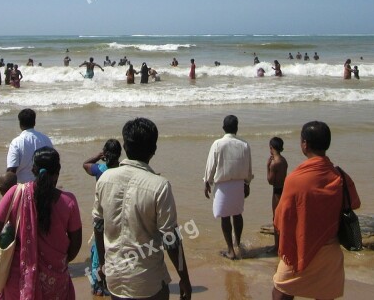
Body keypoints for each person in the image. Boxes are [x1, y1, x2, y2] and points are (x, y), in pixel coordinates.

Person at [93, 118, 192, 299]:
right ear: (154, 150)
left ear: (125, 146)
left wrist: (102, 266)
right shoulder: (159, 185)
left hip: (115, 277)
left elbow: (98, 226)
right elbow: (171, 240)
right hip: (147, 282)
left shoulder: (104, 179)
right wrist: (184, 278)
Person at [0, 147, 82, 299]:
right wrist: (58, 261)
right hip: (55, 282)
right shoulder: (69, 201)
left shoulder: (15, 193)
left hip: (19, 281)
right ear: (58, 171)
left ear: (33, 170)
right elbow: (75, 244)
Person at [272, 121, 361, 300]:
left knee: (281, 291)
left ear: (305, 144)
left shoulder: (296, 179)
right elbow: (354, 203)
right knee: (325, 295)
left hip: (298, 249)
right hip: (330, 250)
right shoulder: (340, 176)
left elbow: (281, 218)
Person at [204, 115, 253, 260]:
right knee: (237, 214)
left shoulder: (218, 144)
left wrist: (207, 181)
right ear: (236, 128)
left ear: (223, 128)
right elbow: (248, 166)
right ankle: (238, 244)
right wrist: (247, 183)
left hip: (222, 185)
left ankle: (231, 250)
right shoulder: (244, 144)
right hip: (239, 183)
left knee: (225, 217)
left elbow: (210, 166)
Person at [82, 140, 122, 296]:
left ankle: (98, 283)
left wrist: (98, 156)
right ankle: (112, 279)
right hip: (117, 215)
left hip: (101, 214)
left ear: (105, 154)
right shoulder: (122, 169)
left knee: (99, 251)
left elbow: (85, 164)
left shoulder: (99, 169)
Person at [6, 109, 53, 183]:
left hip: (23, 188)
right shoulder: (46, 139)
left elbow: (11, 171)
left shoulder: (16, 142)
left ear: (20, 124)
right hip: (43, 187)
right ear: (34, 122)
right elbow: (52, 165)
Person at [267, 137, 288, 254]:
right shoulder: (283, 160)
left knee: (276, 218)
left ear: (271, 148)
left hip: (277, 191)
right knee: (282, 217)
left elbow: (270, 181)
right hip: (284, 189)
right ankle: (282, 244)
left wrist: (267, 166)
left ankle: (277, 246)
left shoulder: (274, 163)